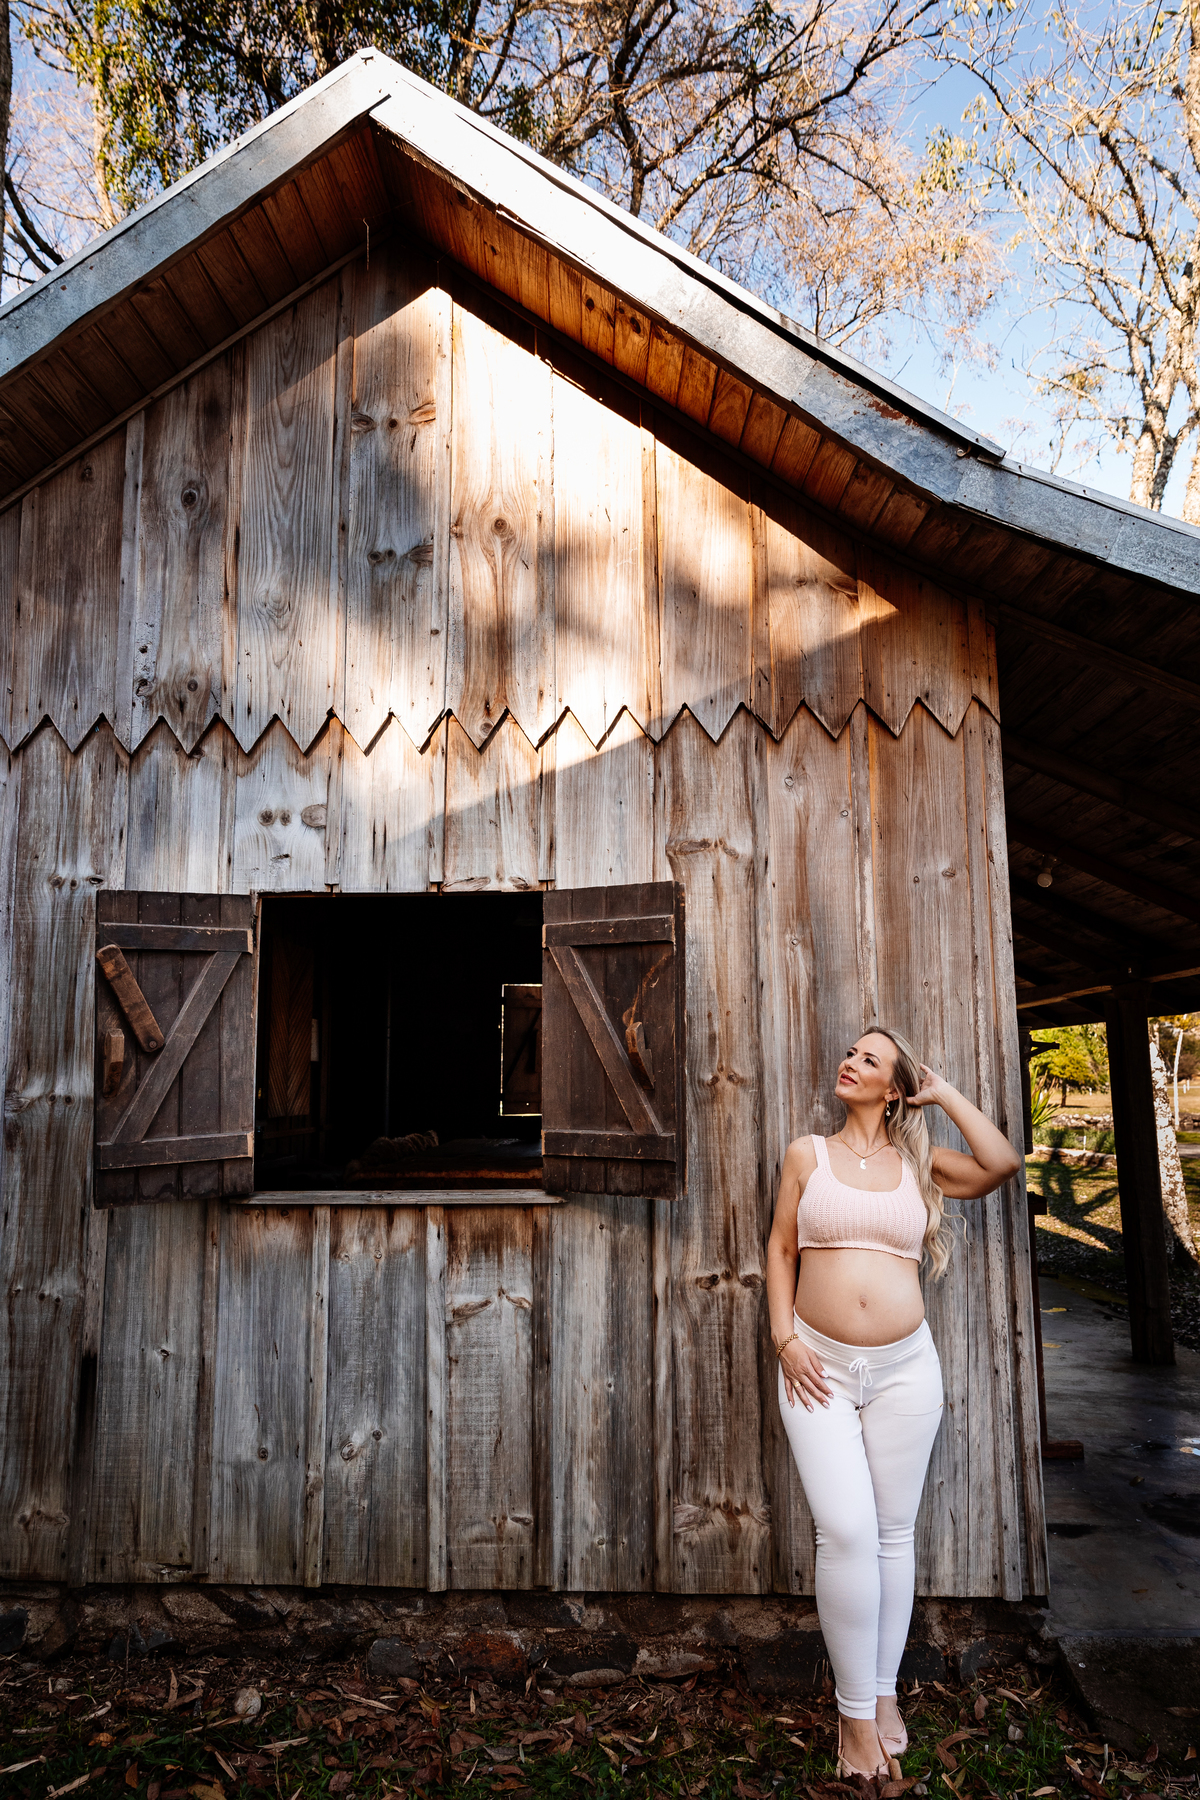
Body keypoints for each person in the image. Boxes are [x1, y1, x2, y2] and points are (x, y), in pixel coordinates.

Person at [765, 1027, 1021, 1780]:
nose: (850, 1062)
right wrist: (784, 1338)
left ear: (894, 1086)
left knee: (890, 1535)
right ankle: (851, 1724)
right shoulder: (807, 1155)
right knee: (844, 1530)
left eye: (869, 1059)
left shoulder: (922, 1164)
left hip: (908, 1372)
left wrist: (940, 1094)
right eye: (850, 1052)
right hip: (819, 1369)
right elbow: (782, 1249)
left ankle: (880, 1699)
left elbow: (1002, 1163)